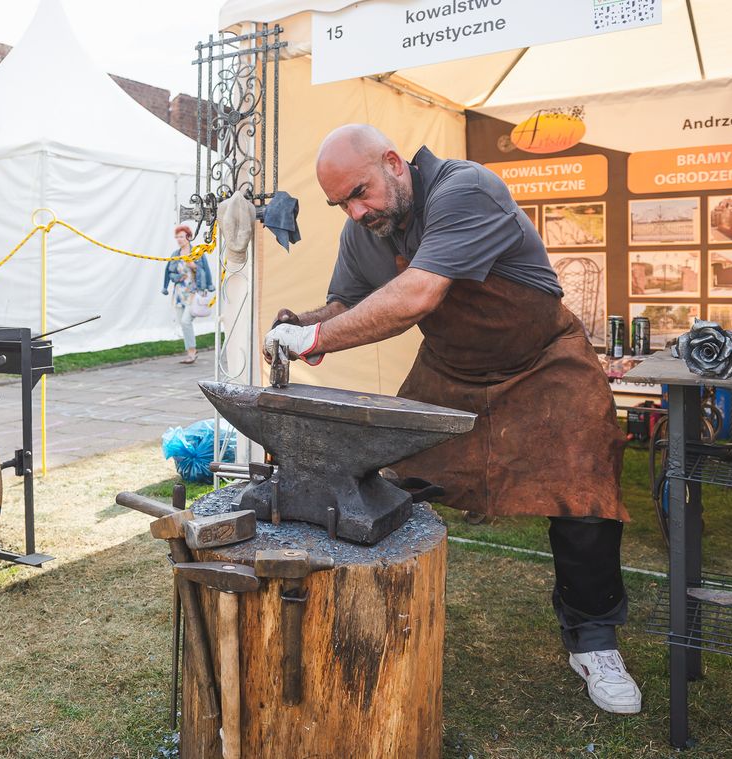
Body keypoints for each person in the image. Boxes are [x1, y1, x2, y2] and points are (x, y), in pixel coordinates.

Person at [263, 125, 640, 715]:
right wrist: (299, 327)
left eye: (361, 193)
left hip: (544, 364)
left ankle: (593, 643)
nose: (357, 211)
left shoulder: (466, 189)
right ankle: (376, 615)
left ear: (394, 162)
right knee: (386, 485)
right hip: (451, 370)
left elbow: (416, 295)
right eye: (342, 204)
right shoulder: (363, 230)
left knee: (583, 497)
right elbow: (346, 306)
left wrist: (316, 333)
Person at [161, 225, 214, 364]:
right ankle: (190, 352)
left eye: (181, 236)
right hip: (179, 294)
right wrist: (178, 277)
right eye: (177, 237)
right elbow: (169, 272)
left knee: (186, 321)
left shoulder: (197, 252)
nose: (179, 239)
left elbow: (205, 270)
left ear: (188, 237)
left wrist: (194, 267)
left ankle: (192, 352)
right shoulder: (175, 254)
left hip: (194, 293)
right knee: (183, 323)